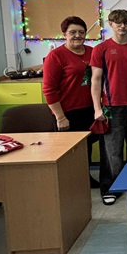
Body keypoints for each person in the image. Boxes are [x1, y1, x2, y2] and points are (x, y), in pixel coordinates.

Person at [91, 9, 127, 205]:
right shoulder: (101, 49)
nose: (122, 26)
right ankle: (111, 188)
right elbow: (96, 80)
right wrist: (97, 108)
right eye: (118, 23)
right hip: (111, 107)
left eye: (126, 23)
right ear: (111, 24)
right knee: (111, 151)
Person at [42, 15, 99, 187]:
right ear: (64, 34)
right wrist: (60, 117)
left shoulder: (92, 52)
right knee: (70, 150)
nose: (77, 36)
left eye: (81, 32)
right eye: (72, 32)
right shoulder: (56, 56)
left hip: (89, 109)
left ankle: (84, 178)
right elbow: (49, 89)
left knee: (85, 147)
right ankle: (70, 184)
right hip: (67, 112)